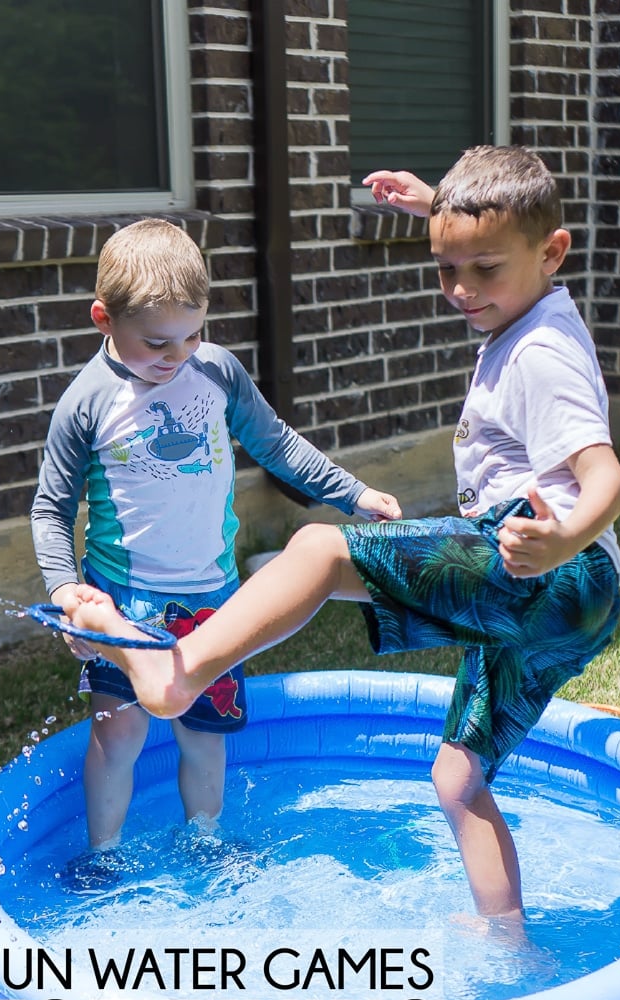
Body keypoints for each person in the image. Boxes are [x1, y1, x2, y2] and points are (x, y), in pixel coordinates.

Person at [58, 147, 620, 919]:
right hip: (573, 604)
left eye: (481, 269)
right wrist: (439, 207)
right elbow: (502, 239)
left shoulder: (543, 351)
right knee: (458, 778)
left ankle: (178, 672)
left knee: (321, 551)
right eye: (445, 266)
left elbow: (608, 482)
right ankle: (509, 946)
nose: (461, 289)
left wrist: (562, 543)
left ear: (551, 252)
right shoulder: (532, 302)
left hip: (555, 567)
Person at [30, 218, 401, 878]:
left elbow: (276, 444)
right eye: (156, 341)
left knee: (205, 735)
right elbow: (51, 508)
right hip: (123, 602)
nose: (177, 354)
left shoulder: (216, 374)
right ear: (102, 319)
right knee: (119, 733)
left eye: (193, 332)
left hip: (212, 599)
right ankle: (105, 855)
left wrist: (352, 493)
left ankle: (204, 838)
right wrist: (65, 592)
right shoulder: (87, 404)